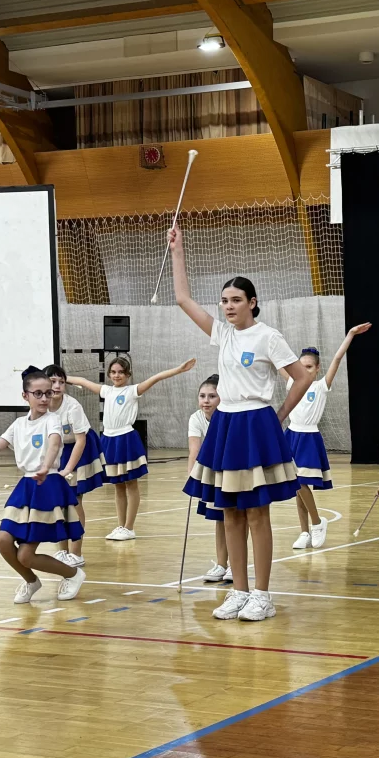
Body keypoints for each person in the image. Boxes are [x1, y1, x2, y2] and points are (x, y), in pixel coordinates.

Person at [169, 223, 311, 621]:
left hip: (256, 423)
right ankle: (239, 591)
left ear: (252, 302)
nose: (228, 306)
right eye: (224, 301)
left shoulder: (268, 337)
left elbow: (302, 377)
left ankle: (262, 595)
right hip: (226, 426)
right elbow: (182, 298)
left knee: (256, 512)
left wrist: (279, 415)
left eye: (235, 300)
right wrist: (178, 251)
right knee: (229, 511)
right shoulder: (222, 334)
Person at [0, 367, 86, 603]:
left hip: (48, 485)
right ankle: (31, 581)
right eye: (38, 394)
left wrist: (45, 466)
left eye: (48, 393)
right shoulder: (18, 425)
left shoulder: (53, 420)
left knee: (25, 554)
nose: (45, 398)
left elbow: (54, 443)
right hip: (26, 487)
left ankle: (73, 574)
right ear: (25, 396)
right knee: (3, 540)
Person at [67, 356, 195, 541]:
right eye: (113, 372)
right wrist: (58, 378)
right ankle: (121, 526)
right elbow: (83, 382)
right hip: (109, 439)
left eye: (120, 372)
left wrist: (178, 369)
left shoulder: (132, 390)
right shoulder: (106, 391)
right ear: (109, 374)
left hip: (126, 438)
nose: (116, 375)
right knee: (118, 486)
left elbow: (156, 378)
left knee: (131, 483)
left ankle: (130, 526)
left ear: (128, 374)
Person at [287, 323, 372, 549]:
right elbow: (277, 358)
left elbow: (337, 358)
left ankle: (317, 522)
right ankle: (304, 531)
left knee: (300, 483)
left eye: (309, 367)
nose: (304, 370)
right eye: (301, 366)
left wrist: (351, 334)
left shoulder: (320, 387)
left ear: (317, 369)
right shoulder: (290, 382)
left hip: (308, 438)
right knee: (297, 487)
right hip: (291, 436)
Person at [44, 364, 105, 568]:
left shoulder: (73, 406)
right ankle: (62, 550)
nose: (58, 385)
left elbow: (80, 441)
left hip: (80, 448)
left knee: (74, 500)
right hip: (58, 450)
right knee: (58, 502)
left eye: (62, 382)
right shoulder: (40, 406)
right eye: (53, 381)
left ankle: (76, 552)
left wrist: (68, 469)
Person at [188, 374, 231, 583]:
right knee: (219, 519)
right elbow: (194, 450)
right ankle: (222, 564)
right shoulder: (196, 419)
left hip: (231, 470)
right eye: (202, 396)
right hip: (212, 473)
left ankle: (235, 566)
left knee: (236, 518)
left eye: (212, 396)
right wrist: (191, 480)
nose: (206, 400)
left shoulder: (228, 416)